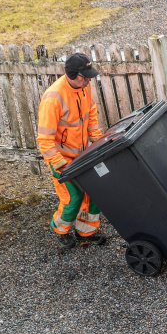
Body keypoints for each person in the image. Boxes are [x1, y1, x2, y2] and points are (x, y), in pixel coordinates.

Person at [36, 53, 107, 251]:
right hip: (61, 159)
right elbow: (45, 140)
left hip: (82, 153)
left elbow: (91, 113)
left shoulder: (85, 86)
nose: (89, 80)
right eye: (85, 77)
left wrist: (96, 140)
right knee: (73, 197)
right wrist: (61, 165)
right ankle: (59, 230)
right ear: (72, 75)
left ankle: (86, 231)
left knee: (94, 192)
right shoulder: (53, 98)